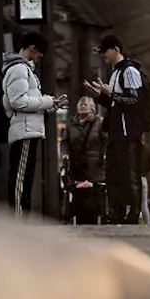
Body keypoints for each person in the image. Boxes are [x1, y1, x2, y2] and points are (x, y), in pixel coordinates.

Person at [2, 32, 67, 218]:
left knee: (25, 177)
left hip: (28, 129)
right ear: (32, 47)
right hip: (24, 130)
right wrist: (47, 101)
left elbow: (27, 103)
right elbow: (18, 101)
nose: (40, 56)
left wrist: (53, 104)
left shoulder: (24, 70)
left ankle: (22, 217)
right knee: (20, 179)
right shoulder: (19, 69)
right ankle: (17, 220)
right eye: (40, 52)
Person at [83, 35, 145, 224]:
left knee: (129, 174)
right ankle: (117, 211)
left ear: (115, 50)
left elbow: (135, 100)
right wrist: (99, 96)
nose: (102, 55)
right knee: (113, 174)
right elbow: (114, 103)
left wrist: (112, 94)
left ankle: (133, 213)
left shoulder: (130, 71)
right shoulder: (115, 72)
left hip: (127, 133)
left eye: (104, 51)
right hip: (115, 131)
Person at [61, 96, 106, 225]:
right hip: (76, 168)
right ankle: (79, 222)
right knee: (78, 197)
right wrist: (64, 155)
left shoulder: (100, 123)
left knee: (93, 198)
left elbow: (106, 142)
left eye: (86, 104)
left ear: (93, 108)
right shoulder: (71, 124)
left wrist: (104, 157)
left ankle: (95, 222)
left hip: (95, 168)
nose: (83, 106)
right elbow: (65, 142)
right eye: (80, 104)